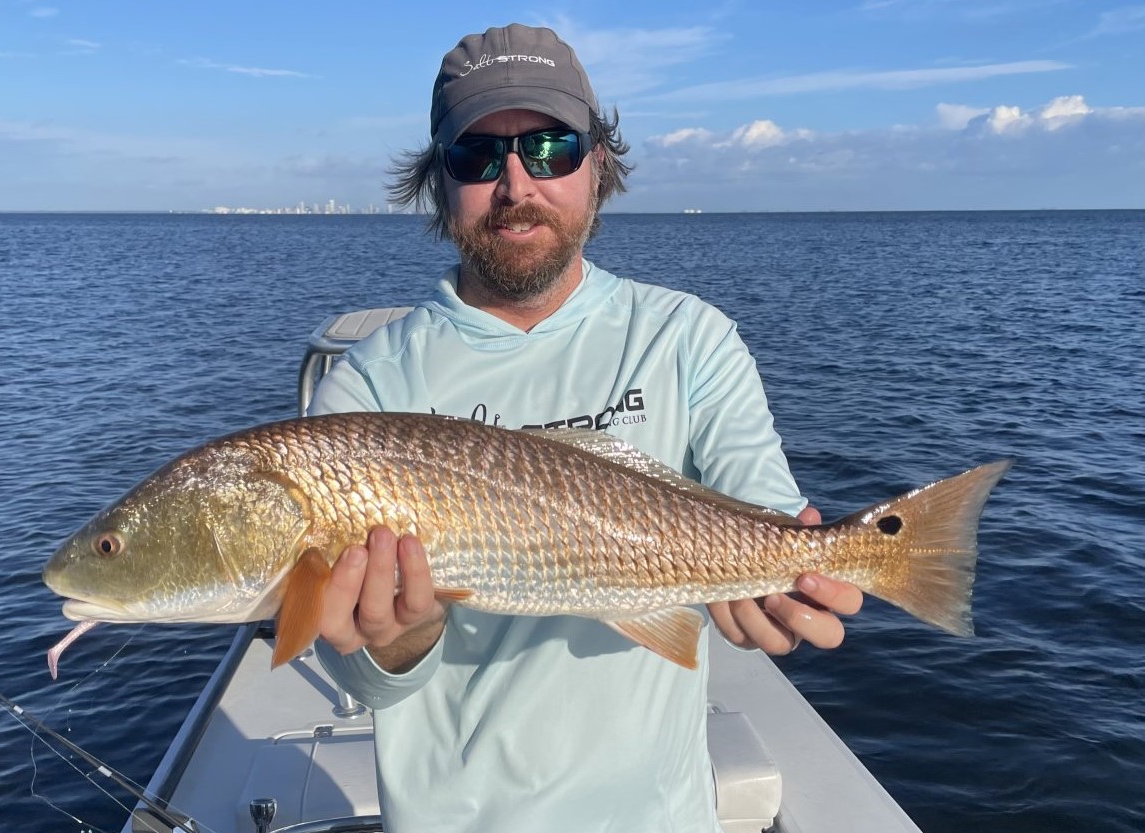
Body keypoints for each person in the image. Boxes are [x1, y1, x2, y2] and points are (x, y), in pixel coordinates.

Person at [309, 22, 863, 833]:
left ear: (597, 165)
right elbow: (360, 677)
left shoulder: (687, 336)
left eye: (549, 148)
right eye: (475, 156)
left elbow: (760, 504)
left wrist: (788, 587)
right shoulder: (368, 384)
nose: (515, 183)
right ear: (439, 183)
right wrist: (395, 641)